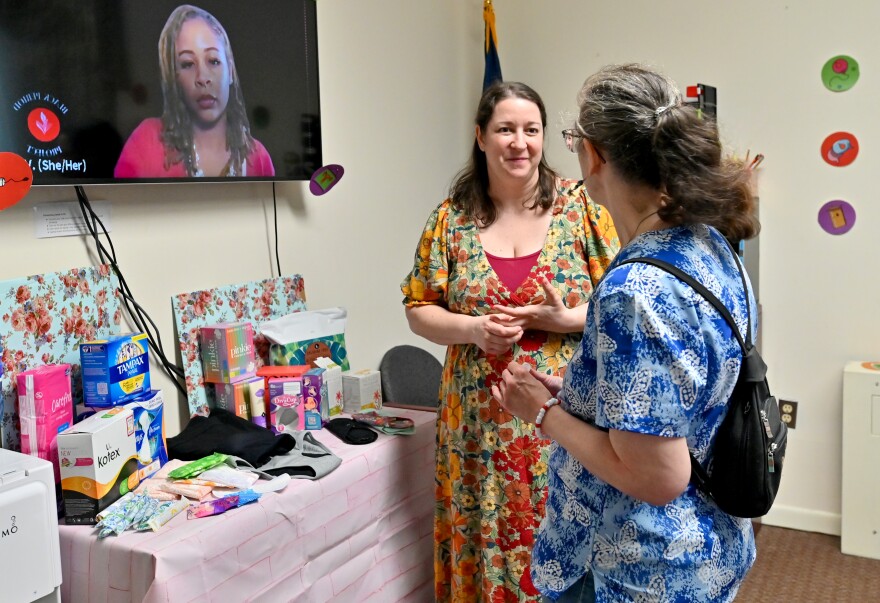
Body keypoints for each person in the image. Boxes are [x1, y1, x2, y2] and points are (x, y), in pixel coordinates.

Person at [491, 64, 760, 602]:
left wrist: (542, 413)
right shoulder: (710, 244)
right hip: (706, 547)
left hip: (633, 567)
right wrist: (581, 394)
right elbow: (688, 394)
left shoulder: (633, 291)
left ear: (593, 155)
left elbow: (658, 478)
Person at [400, 81, 619, 602]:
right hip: (475, 424)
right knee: (483, 535)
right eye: (505, 129)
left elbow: (620, 304)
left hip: (561, 416)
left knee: (561, 539)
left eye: (531, 130)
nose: (519, 142)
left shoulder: (582, 206)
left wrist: (563, 319)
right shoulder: (449, 218)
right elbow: (418, 308)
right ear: (480, 137)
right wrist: (474, 329)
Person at [114, 4, 274, 178]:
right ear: (174, 78)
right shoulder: (146, 142)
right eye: (188, 64)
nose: (202, 77)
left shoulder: (259, 158)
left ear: (230, 71)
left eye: (213, 61)